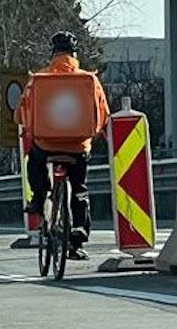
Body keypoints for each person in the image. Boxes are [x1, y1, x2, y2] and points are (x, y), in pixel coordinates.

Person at [15, 31, 110, 260]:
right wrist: (92, 135)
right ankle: (77, 235)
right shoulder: (90, 80)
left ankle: (38, 198)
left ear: (53, 53)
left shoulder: (37, 80)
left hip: (46, 145)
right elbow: (103, 114)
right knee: (79, 187)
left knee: (35, 161)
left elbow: (20, 115)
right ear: (74, 54)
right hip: (78, 147)